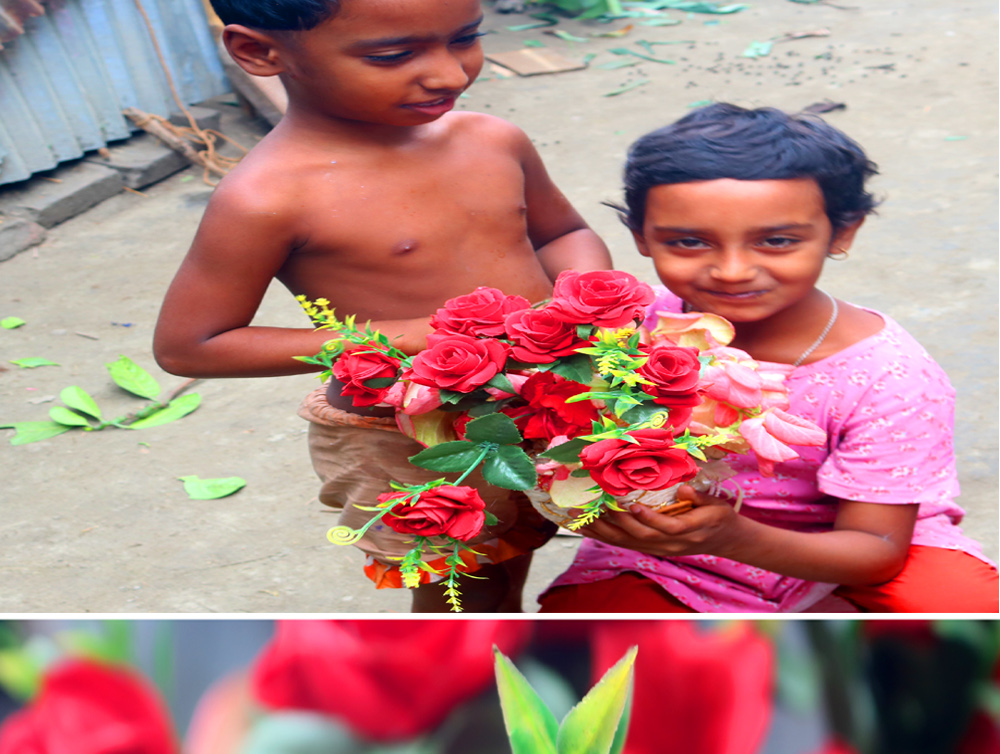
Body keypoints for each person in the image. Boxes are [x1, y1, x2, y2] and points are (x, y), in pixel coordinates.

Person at [152, 0, 611, 613]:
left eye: (465, 38)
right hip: (403, 434)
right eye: (392, 55)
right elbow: (192, 344)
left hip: (540, 399)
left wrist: (586, 294)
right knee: (457, 586)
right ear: (260, 52)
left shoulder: (492, 140)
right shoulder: (266, 199)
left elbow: (560, 234)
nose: (449, 74)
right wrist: (428, 336)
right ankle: (458, 695)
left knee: (513, 552)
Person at [538, 104, 998, 614]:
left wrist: (735, 537)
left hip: (847, 555)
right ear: (641, 238)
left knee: (960, 611)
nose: (732, 271)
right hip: (669, 560)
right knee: (588, 642)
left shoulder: (889, 376)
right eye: (689, 241)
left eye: (777, 241)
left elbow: (877, 552)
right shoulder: (622, 327)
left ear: (842, 233)